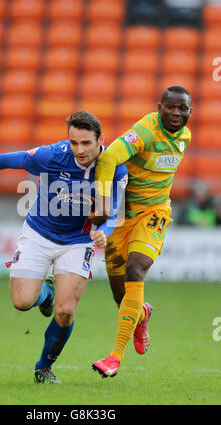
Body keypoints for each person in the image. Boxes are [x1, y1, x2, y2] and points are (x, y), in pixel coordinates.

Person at [0, 110, 128, 384]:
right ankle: (46, 295)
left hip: (78, 241)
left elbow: (115, 210)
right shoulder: (53, 155)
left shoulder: (115, 166)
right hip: (39, 233)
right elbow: (9, 159)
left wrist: (104, 232)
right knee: (22, 302)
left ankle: (44, 367)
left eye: (86, 143)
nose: (79, 150)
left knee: (66, 312)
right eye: (74, 142)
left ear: (101, 140)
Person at [90, 86, 193, 378]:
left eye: (182, 108)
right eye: (170, 107)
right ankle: (141, 314)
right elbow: (108, 158)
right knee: (120, 296)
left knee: (136, 270)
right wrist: (102, 203)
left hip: (154, 214)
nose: (176, 113)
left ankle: (114, 357)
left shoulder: (185, 136)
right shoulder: (145, 131)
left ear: (190, 112)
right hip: (120, 218)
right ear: (159, 106)